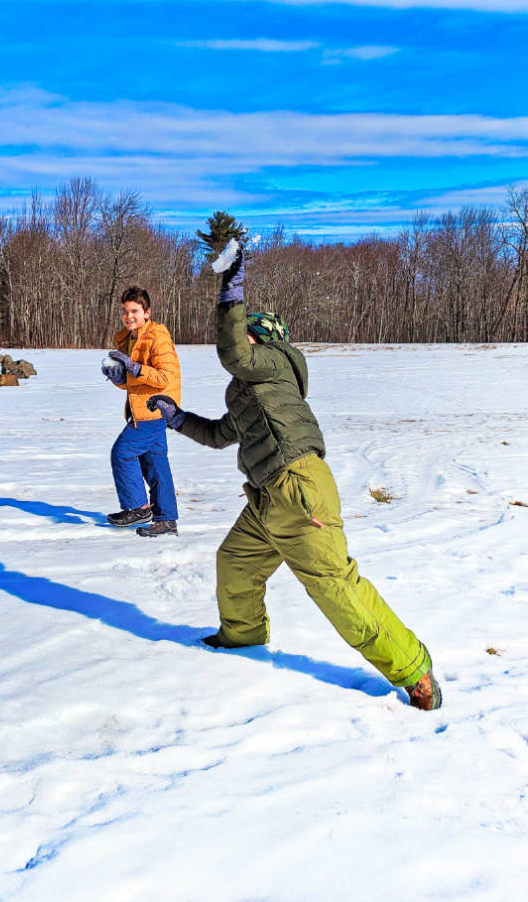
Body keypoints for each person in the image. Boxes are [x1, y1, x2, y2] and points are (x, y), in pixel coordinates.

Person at [146, 247, 441, 709]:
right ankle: (242, 640)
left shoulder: (277, 363)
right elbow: (221, 434)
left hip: (300, 491)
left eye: (247, 336)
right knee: (235, 565)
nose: (240, 344)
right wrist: (176, 417)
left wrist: (230, 292)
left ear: (263, 340)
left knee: (335, 587)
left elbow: (235, 354)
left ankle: (411, 669)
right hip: (267, 501)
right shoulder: (251, 393)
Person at [101, 286, 182, 537]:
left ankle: (138, 508)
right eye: (124, 311)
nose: (129, 316)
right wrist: (117, 377)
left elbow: (164, 378)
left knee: (122, 453)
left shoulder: (157, 335)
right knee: (155, 465)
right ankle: (166, 520)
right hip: (144, 410)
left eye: (134, 311)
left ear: (147, 312)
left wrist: (134, 368)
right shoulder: (129, 338)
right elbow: (133, 381)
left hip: (154, 409)